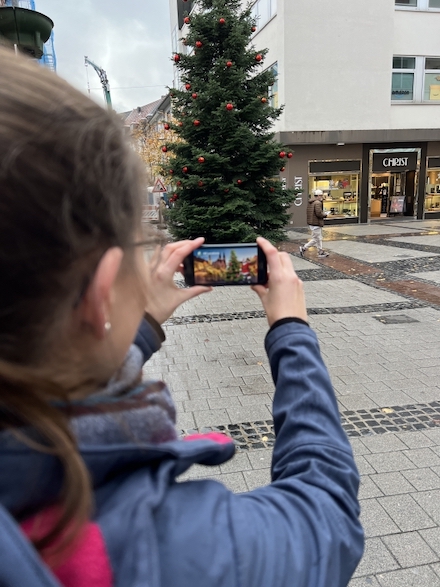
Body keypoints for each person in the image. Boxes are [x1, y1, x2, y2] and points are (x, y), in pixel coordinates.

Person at [0, 47, 363, 587]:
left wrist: (141, 325)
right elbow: (327, 513)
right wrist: (291, 330)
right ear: (101, 292)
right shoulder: (165, 546)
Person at [299, 189, 330, 258]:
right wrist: (325, 214)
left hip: (312, 223)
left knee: (318, 238)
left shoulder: (311, 202)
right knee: (316, 238)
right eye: (321, 195)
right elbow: (319, 213)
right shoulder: (317, 203)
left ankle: (320, 251)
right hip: (316, 223)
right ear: (318, 196)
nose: (322, 197)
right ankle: (304, 248)